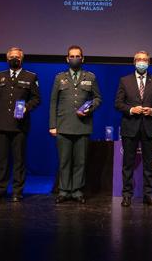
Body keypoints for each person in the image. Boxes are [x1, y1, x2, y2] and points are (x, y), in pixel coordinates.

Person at [0, 47, 40, 202]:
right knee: (3, 159)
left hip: (20, 125)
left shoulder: (30, 76)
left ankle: (17, 190)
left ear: (21, 59)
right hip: (1, 123)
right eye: (11, 57)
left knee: (19, 159)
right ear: (7, 59)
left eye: (17, 57)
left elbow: (37, 99)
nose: (14, 59)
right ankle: (1, 189)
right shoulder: (0, 76)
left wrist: (27, 107)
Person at [49, 45, 102, 204]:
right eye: (71, 56)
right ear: (67, 59)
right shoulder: (60, 77)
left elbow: (98, 98)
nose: (74, 59)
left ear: (82, 58)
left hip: (83, 126)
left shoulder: (90, 77)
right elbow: (53, 102)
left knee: (80, 161)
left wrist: (89, 109)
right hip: (63, 125)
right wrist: (53, 125)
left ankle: (77, 190)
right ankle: (64, 190)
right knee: (64, 160)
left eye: (77, 56)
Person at [115, 50, 152, 207]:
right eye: (139, 59)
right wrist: (131, 110)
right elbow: (118, 103)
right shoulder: (125, 80)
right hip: (130, 127)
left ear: (148, 63)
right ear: (134, 62)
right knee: (128, 164)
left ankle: (148, 195)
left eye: (145, 60)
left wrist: (151, 110)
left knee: (149, 164)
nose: (142, 62)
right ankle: (127, 195)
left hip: (149, 127)